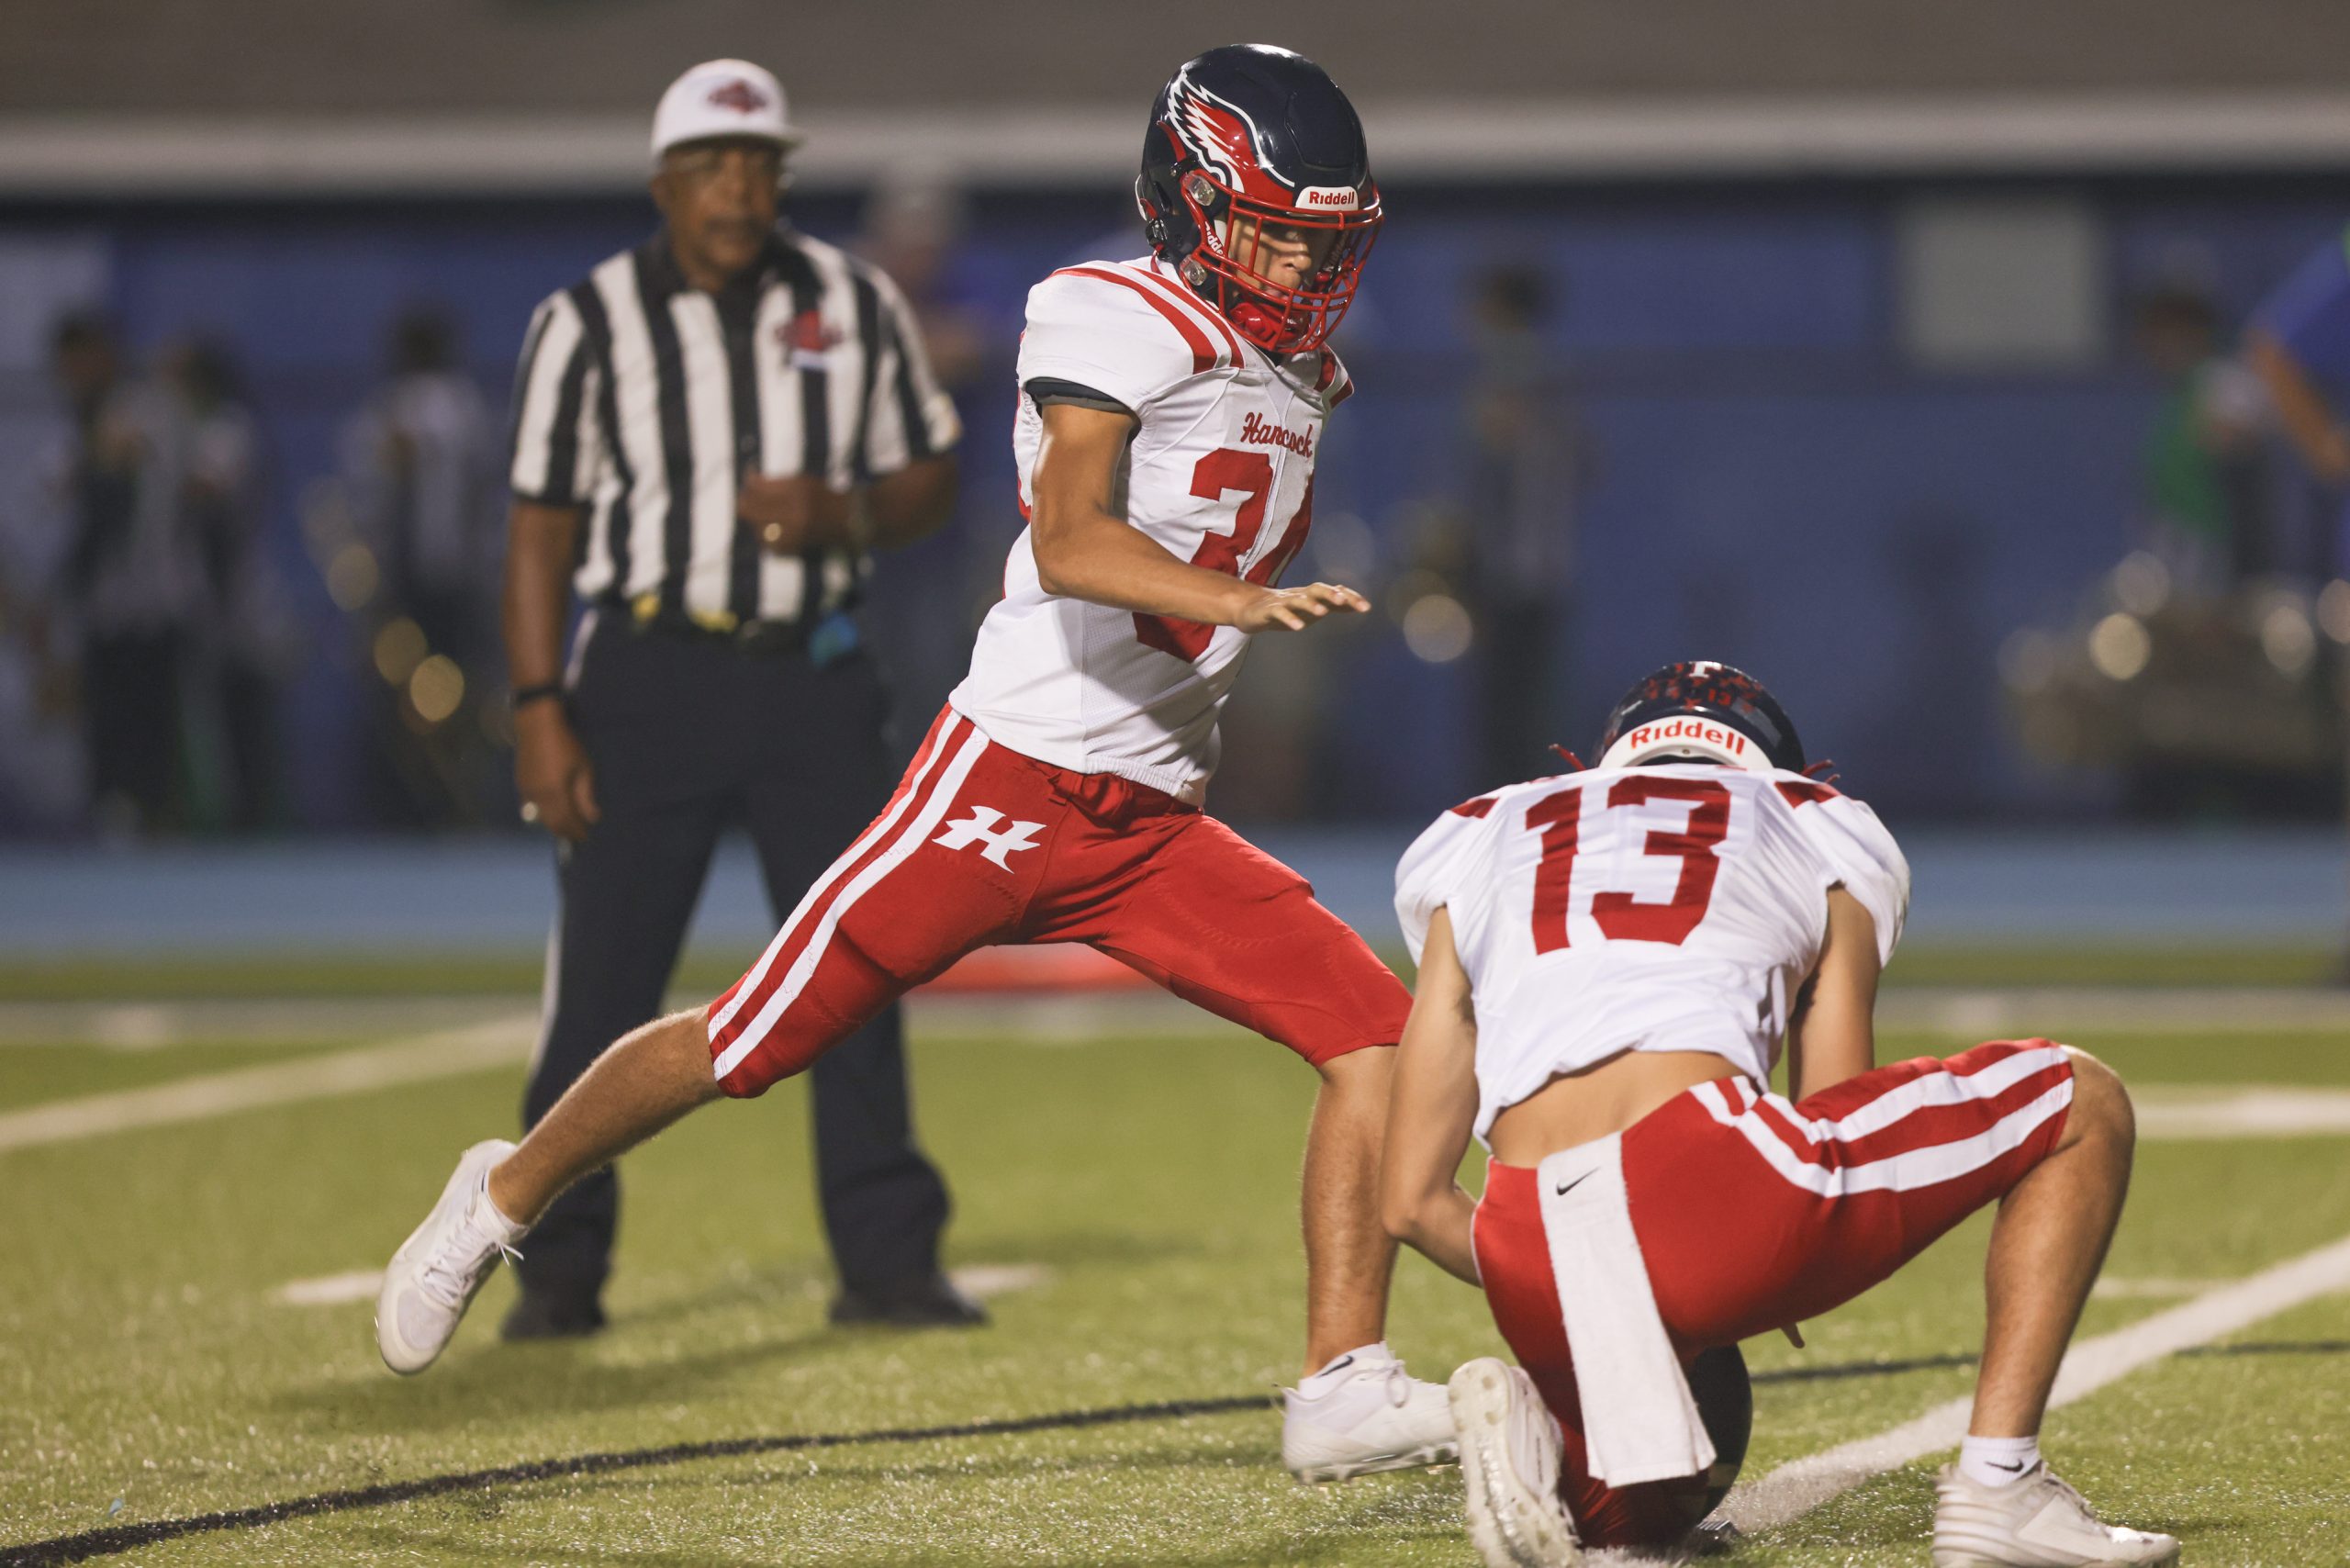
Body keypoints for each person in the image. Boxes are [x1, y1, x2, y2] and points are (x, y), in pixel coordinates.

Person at [378, 42, 1461, 1486]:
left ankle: (1340, 1382)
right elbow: (1072, 540)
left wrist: (1221, 609)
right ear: (1186, 202)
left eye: (1319, 239)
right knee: (753, 1038)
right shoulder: (1108, 309)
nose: (1299, 265)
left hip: (1151, 822)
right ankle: (499, 1195)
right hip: (1007, 784)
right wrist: (1233, 600)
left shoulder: (1305, 366)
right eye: (1270, 227)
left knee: (1381, 1042)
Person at [1380, 661, 2177, 1567]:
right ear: (1779, 764)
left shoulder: (1477, 830)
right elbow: (1836, 1102)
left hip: (1526, 1234)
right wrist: (1772, 1263)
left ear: (1607, 756)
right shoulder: (1816, 819)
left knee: (1635, 1530)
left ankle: (1546, 1434)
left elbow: (1408, 1201)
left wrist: (1594, 1283)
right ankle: (2000, 1488)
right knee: (2080, 1096)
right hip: (1711, 1180)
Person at [489, 59, 972, 1339]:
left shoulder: (847, 298)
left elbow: (931, 468)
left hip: (810, 673)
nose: (740, 187)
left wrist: (849, 510)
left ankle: (887, 1262)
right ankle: (557, 1270)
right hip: (648, 674)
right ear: (663, 181)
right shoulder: (586, 319)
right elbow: (538, 529)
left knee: (857, 968)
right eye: (713, 163)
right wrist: (538, 700)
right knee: (603, 982)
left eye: (761, 164)